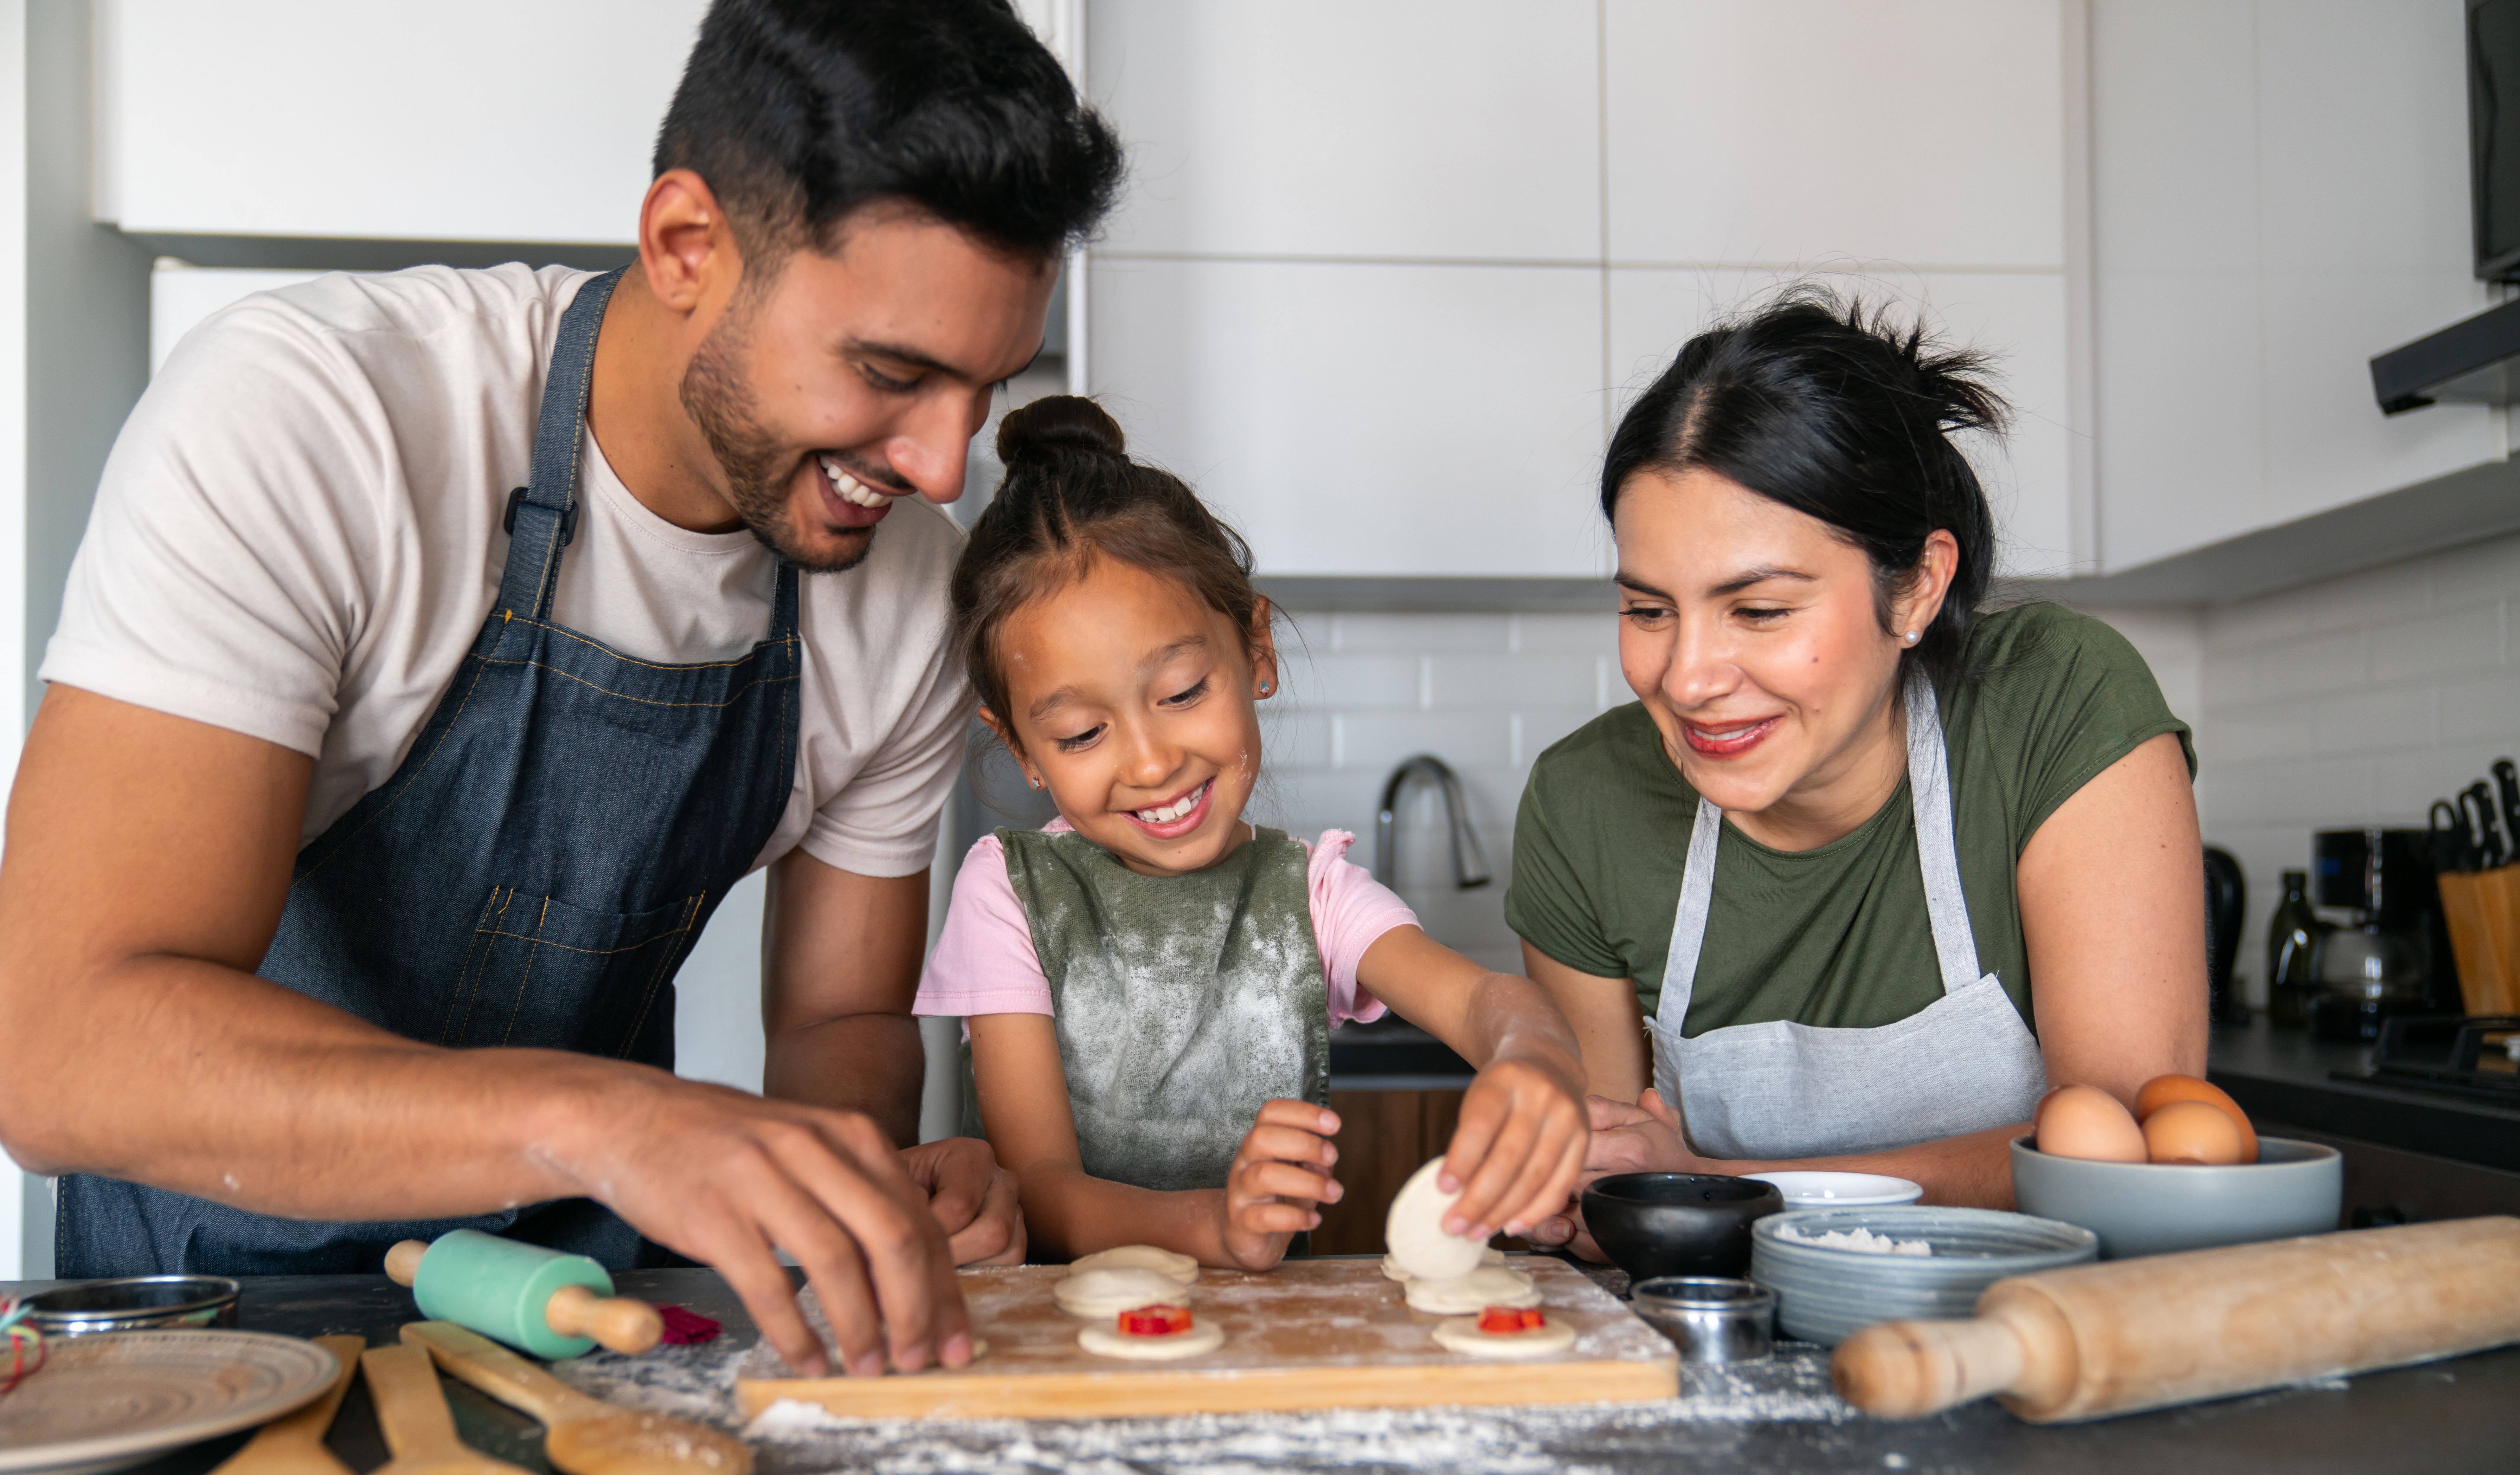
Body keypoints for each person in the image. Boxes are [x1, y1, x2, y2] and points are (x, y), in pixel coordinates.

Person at [0, 0, 1123, 1378]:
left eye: (985, 388)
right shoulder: (319, 423)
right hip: (207, 1326)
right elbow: (60, 1051)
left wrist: (858, 1189)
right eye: (893, 375)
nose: (945, 465)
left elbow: (840, 1024)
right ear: (686, 246)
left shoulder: (898, 590)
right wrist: (606, 1122)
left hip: (590, 1328)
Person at [1506, 290, 2204, 1245]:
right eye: (1648, 611)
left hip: (2047, 1348)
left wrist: (1723, 1184)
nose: (1689, 679)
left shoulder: (2055, 701)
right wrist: (1565, 1190)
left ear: (1917, 585)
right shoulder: (1586, 804)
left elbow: (2124, 1138)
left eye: (1759, 612)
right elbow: (1613, 1193)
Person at [912, 396, 1591, 1269]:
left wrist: (1533, 1052)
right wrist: (1214, 1227)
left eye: (1185, 691)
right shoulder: (1011, 893)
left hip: (1264, 1348)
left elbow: (1480, 1002)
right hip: (1063, 1343)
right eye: (1082, 735)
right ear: (1021, 750)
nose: (1152, 763)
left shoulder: (1311, 896)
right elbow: (1038, 1190)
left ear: (1256, 650)